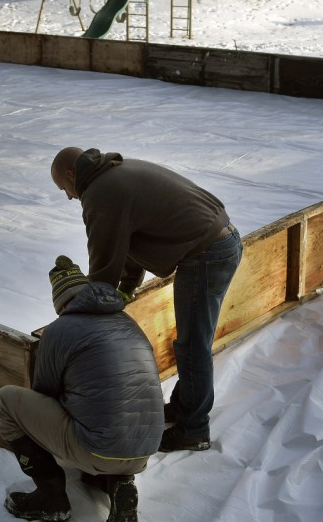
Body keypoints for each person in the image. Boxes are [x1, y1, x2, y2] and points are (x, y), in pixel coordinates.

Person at [50, 147, 243, 453]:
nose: (69, 197)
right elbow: (127, 240)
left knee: (193, 345)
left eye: (64, 188)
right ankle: (184, 407)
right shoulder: (116, 171)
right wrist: (126, 288)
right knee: (193, 341)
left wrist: (87, 312)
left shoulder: (100, 193)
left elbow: (103, 263)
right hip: (220, 240)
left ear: (71, 174)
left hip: (207, 253)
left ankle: (193, 429)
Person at [0, 255, 164, 522]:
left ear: (61, 304)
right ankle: (120, 483)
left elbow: (45, 393)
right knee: (113, 412)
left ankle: (51, 497)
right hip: (145, 448)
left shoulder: (59, 330)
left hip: (100, 447)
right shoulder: (127, 322)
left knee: (5, 400)